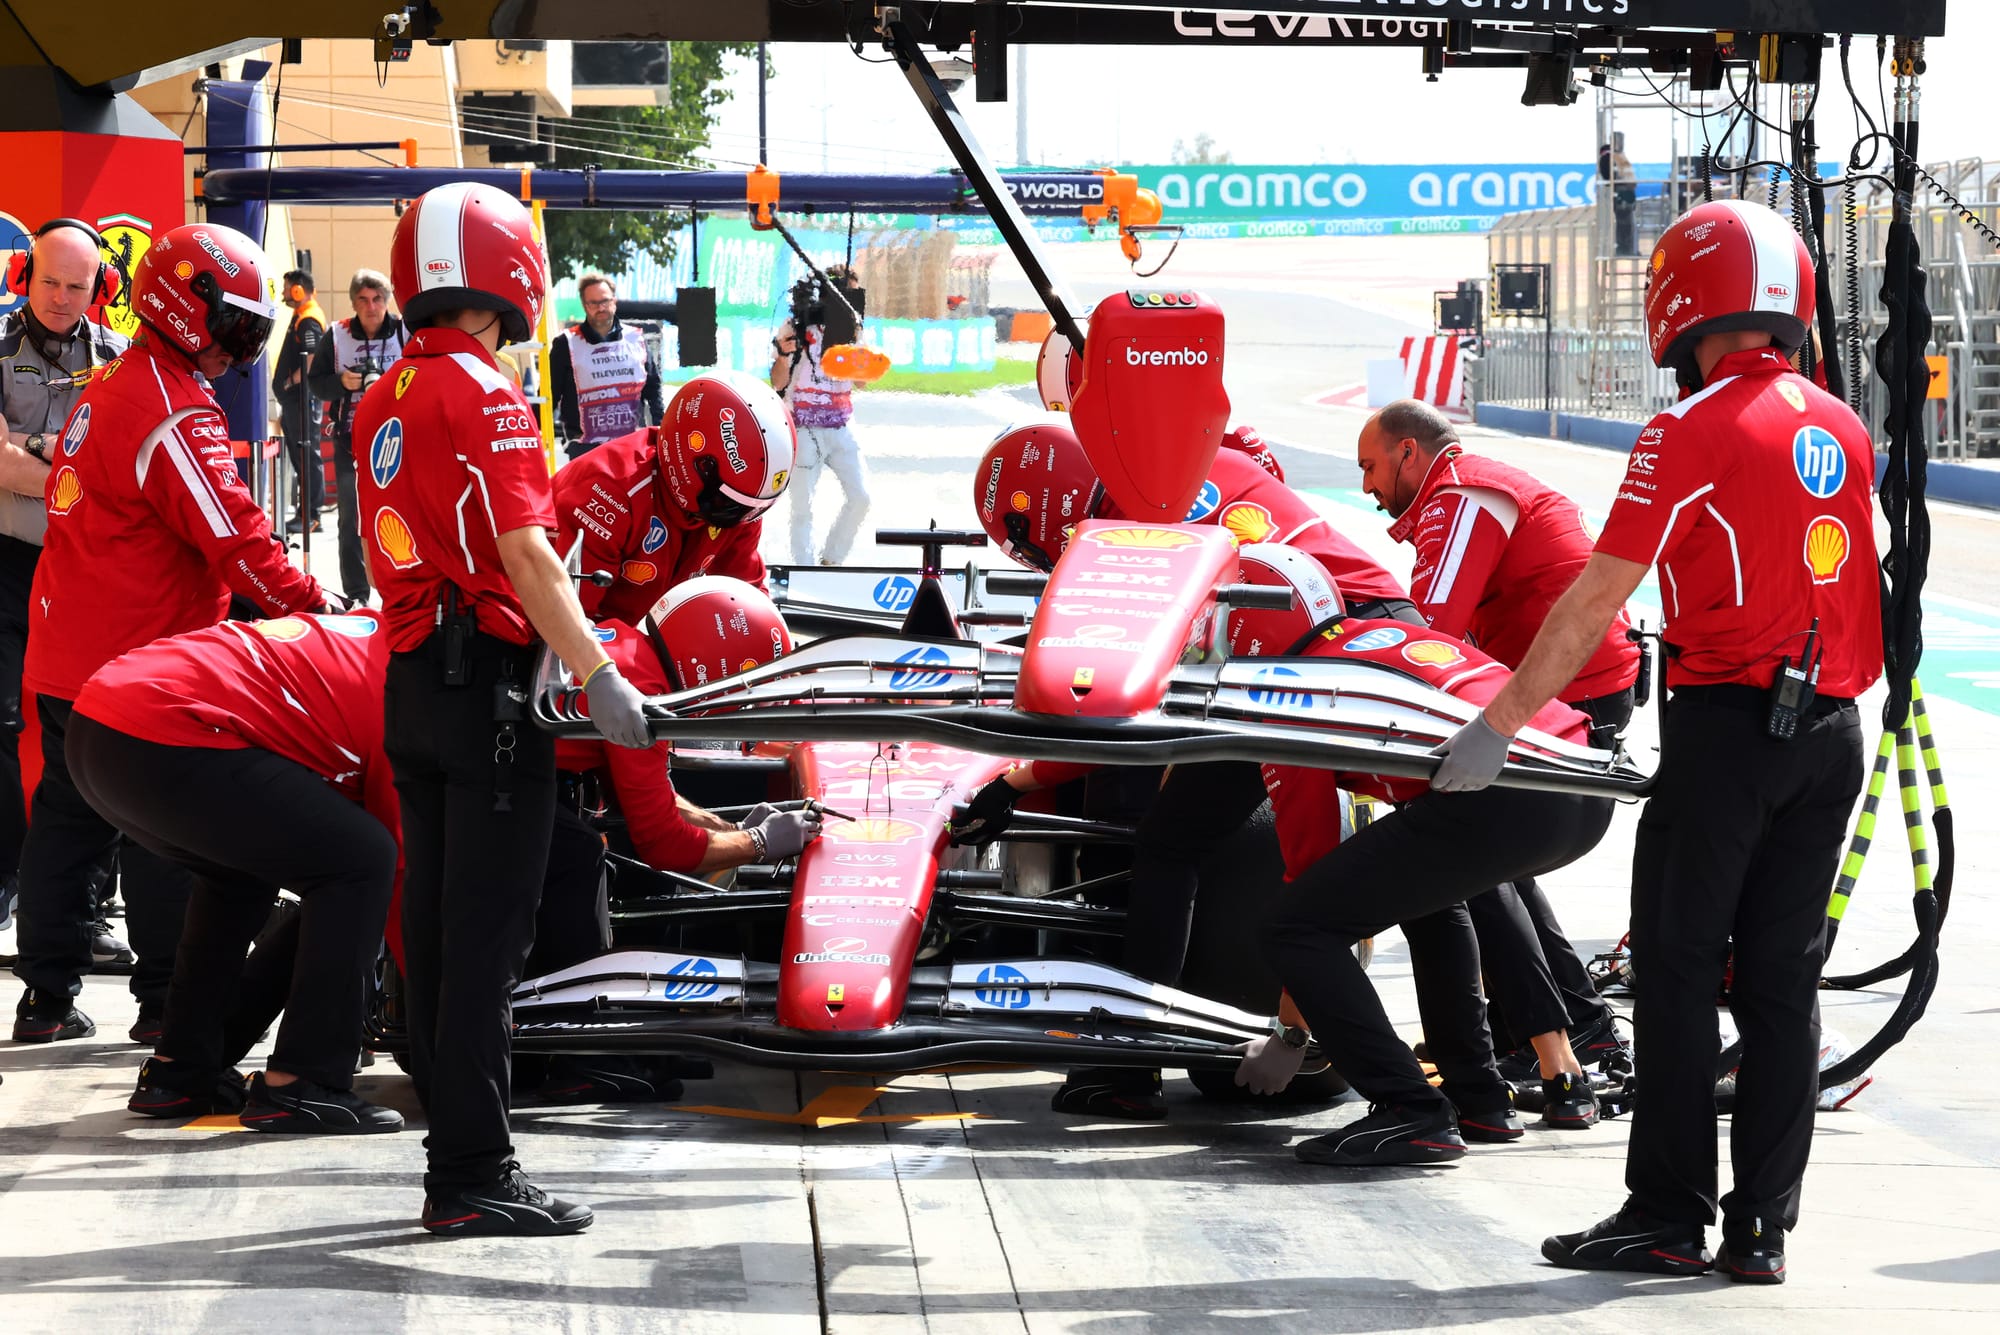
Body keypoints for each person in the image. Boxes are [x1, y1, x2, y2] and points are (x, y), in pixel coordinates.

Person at [1427, 200, 1883, 1282]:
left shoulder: (1686, 431)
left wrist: (1495, 725)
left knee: (1677, 973)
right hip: (1830, 737)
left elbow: (1596, 597)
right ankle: (1762, 1229)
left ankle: (1667, 1214)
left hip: (1727, 732)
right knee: (1781, 988)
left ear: (1681, 302)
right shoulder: (1841, 422)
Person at [966, 420, 1423, 1116]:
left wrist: (1014, 781)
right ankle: (1497, 1071)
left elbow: (1110, 709)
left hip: (1316, 657)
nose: (1038, 562)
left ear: (1050, 514)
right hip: (1348, 637)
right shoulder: (1181, 460)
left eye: (1029, 546)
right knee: (1448, 864)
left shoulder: (1131, 535)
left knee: (1217, 852)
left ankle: (1139, 1065)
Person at [354, 180, 655, 1238]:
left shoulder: (382, 394)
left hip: (409, 681)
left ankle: (456, 1149)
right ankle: (473, 1170)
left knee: (437, 928)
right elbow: (527, 552)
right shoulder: (485, 393)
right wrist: (597, 669)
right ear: (507, 275)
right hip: (488, 689)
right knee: (488, 940)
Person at [12, 222, 332, 1047]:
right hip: (141, 664)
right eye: (234, 327)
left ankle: (45, 997)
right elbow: (239, 540)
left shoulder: (115, 376)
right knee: (168, 833)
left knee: (68, 826)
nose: (240, 348)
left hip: (70, 648)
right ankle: (166, 1003)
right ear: (187, 311)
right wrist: (320, 609)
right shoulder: (171, 406)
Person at [1258, 615, 1615, 1166]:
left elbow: (1312, 865)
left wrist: (1290, 1034)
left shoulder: (1282, 687)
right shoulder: (1378, 632)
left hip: (1508, 793)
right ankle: (1480, 1096)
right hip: (1585, 777)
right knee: (1432, 892)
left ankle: (1410, 1110)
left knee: (1296, 926)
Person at [1358, 398, 1638, 1073]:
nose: (1366, 486)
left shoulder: (1461, 495)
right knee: (1496, 861)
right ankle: (1555, 1026)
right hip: (1571, 690)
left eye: (1369, 466)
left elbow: (1431, 633)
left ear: (1408, 453)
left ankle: (1562, 1030)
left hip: (1567, 697)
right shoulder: (1473, 488)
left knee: (1472, 852)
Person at [69, 609, 401, 1132]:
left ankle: (182, 1070)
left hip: (100, 722)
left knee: (243, 878)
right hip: (166, 728)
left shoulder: (378, 638)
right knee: (364, 863)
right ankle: (305, 1081)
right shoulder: (413, 695)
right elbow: (400, 876)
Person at [527, 580, 819, 1103]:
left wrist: (725, 829)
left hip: (503, 774)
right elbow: (664, 843)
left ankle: (630, 1034)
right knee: (578, 858)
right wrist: (759, 842)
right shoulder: (641, 689)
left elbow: (645, 795)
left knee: (590, 851)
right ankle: (585, 1057)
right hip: (504, 786)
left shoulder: (628, 650)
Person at [0, 219, 127, 939]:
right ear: (24, 275)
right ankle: (4, 878)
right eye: (48, 281)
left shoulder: (118, 359)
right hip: (5, 562)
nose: (59, 297)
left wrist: (27, 449)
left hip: (83, 571)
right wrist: (69, 463)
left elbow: (116, 471)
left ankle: (91, 901)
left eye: (75, 286)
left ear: (97, 287)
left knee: (91, 730)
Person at [550, 369, 792, 625]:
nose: (742, 518)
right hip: (540, 622)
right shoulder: (608, 494)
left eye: (755, 509)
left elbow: (748, 598)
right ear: (693, 465)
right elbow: (565, 624)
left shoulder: (743, 504)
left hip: (608, 628)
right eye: (732, 505)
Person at [309, 269, 406, 605]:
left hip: (398, 438)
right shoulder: (337, 335)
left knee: (400, 514)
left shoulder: (405, 331)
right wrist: (342, 383)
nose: (371, 306)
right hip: (350, 439)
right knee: (350, 517)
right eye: (363, 300)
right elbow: (316, 382)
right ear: (353, 303)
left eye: (377, 299)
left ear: (387, 301)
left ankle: (400, 590)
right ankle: (357, 595)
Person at [771, 266, 870, 567]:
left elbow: (862, 382)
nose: (853, 302)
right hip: (803, 426)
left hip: (842, 425)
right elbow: (777, 383)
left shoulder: (854, 329)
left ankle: (832, 560)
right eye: (849, 294)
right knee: (803, 507)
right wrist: (784, 353)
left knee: (862, 497)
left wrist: (855, 348)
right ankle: (804, 567)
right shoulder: (798, 326)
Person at [548, 273, 662, 461]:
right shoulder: (566, 343)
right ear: (584, 305)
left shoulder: (636, 339)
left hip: (631, 446)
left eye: (605, 301)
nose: (600, 308)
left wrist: (661, 430)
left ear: (614, 301)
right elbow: (550, 394)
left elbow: (653, 389)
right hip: (584, 449)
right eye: (593, 303)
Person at [270, 269, 328, 534]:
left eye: (287, 288)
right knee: (301, 455)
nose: (284, 293)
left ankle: (311, 516)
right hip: (296, 400)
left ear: (298, 289)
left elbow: (311, 359)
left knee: (307, 455)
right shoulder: (303, 316)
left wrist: (289, 383)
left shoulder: (308, 320)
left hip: (302, 398)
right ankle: (306, 514)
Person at [1599, 131, 1639, 257]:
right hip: (1622, 192)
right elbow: (1609, 176)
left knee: (1629, 223)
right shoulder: (1610, 158)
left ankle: (1629, 248)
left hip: (1627, 192)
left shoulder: (1619, 157)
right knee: (1624, 223)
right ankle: (1624, 249)